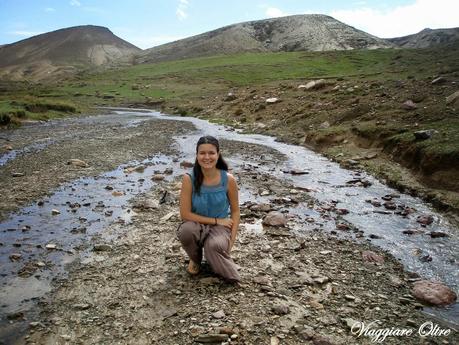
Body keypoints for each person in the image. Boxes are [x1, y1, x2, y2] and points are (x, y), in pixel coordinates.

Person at [177, 135, 241, 282]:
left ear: (218, 154)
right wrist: (216, 220)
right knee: (186, 232)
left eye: (211, 153)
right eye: (202, 153)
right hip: (196, 224)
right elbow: (185, 214)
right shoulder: (189, 179)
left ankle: (215, 255)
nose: (207, 157)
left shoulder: (228, 179)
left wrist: (232, 239)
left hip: (221, 228)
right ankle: (196, 258)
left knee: (215, 248)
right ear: (197, 155)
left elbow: (236, 211)